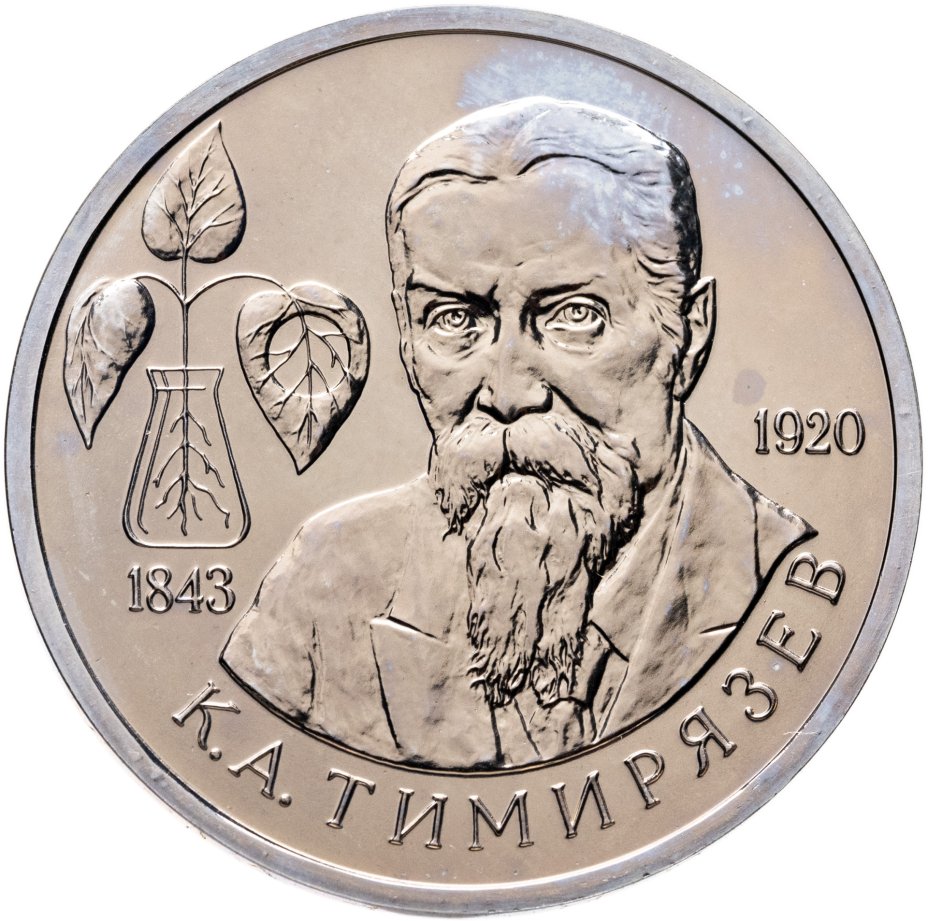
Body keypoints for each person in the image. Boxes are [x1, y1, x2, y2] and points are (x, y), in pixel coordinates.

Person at [221, 98, 813, 770]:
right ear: (406, 340)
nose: (507, 391)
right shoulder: (326, 580)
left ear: (690, 334)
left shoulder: (783, 577)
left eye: (575, 315)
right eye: (453, 319)